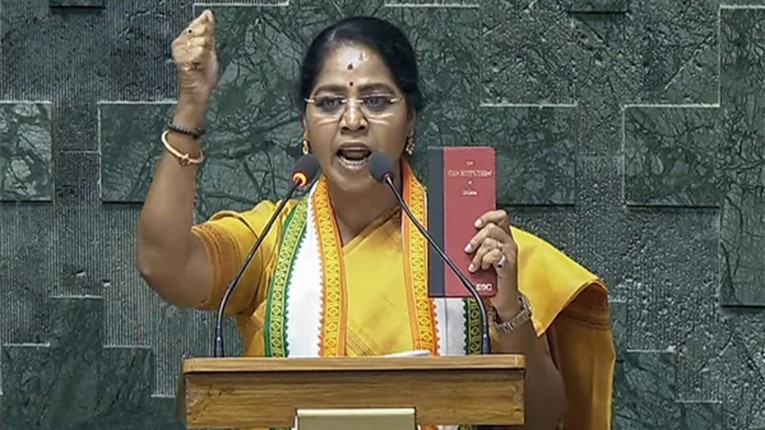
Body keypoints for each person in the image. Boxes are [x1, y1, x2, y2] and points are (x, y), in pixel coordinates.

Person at [136, 9, 615, 430]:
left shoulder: (472, 247)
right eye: (329, 102)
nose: (352, 120)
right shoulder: (271, 240)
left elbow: (542, 419)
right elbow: (163, 264)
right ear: (306, 126)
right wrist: (191, 106)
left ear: (410, 122)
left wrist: (508, 310)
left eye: (377, 101)